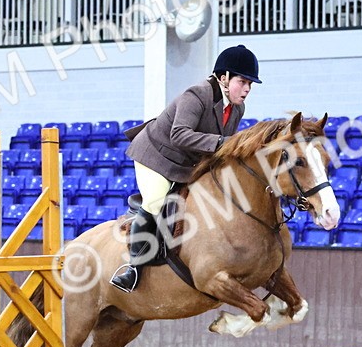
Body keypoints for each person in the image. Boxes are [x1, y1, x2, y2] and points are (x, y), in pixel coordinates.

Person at [110, 44, 261, 292]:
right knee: (157, 202)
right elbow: (179, 134)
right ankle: (132, 269)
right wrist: (222, 143)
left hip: (186, 162)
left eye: (250, 85)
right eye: (242, 82)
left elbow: (222, 148)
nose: (246, 90)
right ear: (223, 77)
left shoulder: (237, 108)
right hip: (156, 156)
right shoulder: (197, 95)